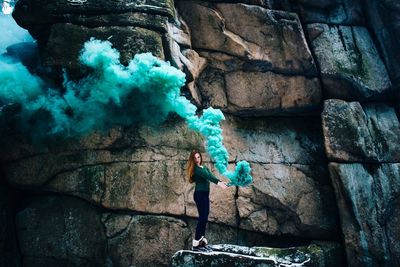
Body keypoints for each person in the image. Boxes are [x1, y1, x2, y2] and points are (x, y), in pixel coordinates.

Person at [187, 149, 228, 252]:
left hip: (204, 194)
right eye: (195, 158)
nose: (197, 160)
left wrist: (221, 182)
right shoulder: (196, 169)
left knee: (204, 217)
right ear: (192, 160)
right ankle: (196, 241)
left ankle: (201, 240)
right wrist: (219, 183)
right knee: (203, 217)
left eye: (198, 157)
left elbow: (211, 176)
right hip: (199, 195)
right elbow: (207, 176)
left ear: (201, 157)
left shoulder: (204, 167)